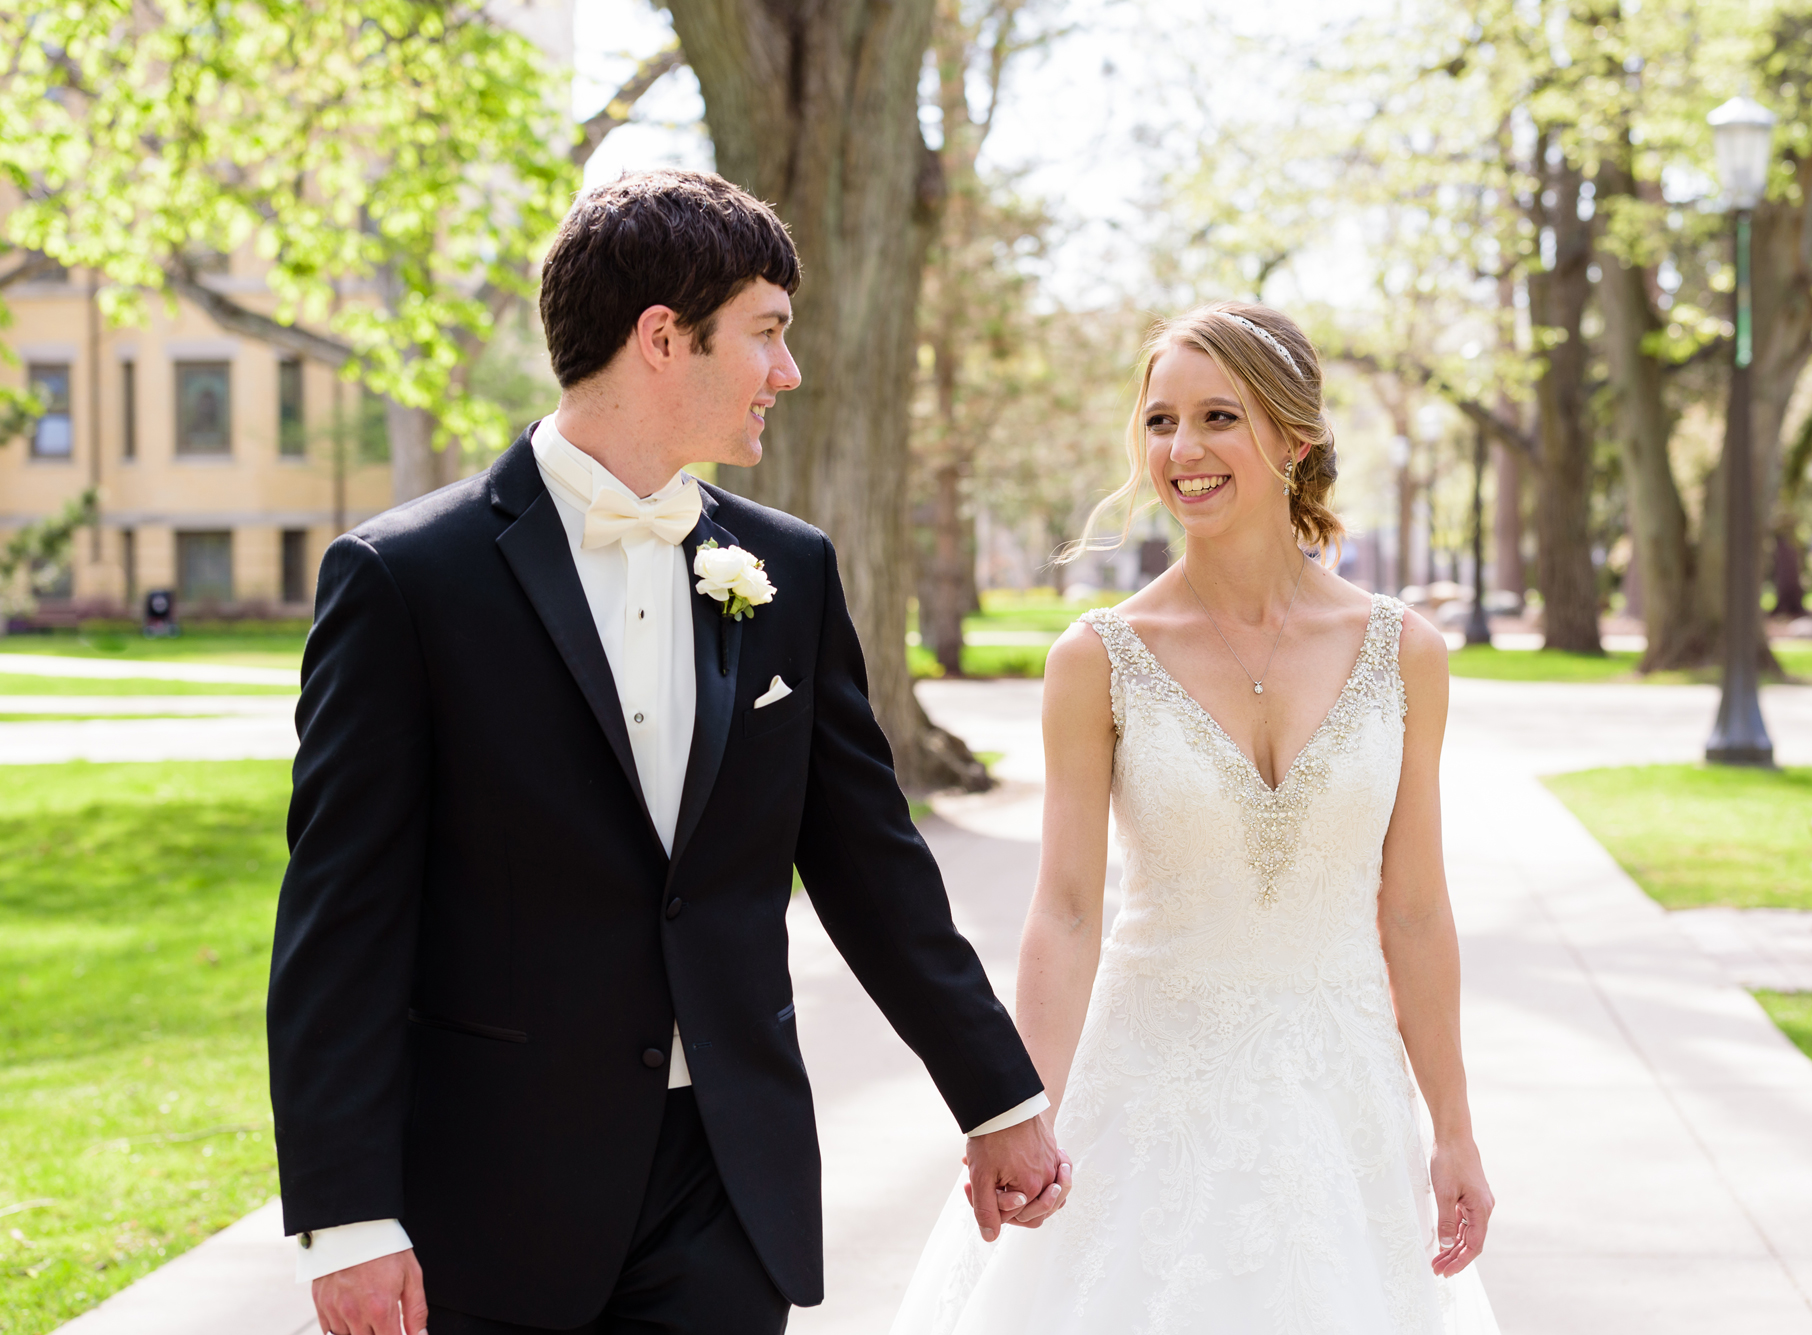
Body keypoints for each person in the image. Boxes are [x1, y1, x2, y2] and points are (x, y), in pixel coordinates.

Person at [267, 169, 1068, 1335]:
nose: (786, 374)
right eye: (765, 335)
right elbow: (340, 922)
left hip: (727, 1186)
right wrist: (345, 1218)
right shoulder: (405, 580)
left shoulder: (789, 573)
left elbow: (871, 864)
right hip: (492, 1196)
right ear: (661, 338)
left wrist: (996, 1097)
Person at [893, 303, 1501, 1333]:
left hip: (1341, 1106)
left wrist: (1452, 1130)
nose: (1182, 450)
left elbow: (1413, 913)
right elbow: (1067, 913)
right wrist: (1020, 1112)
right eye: (1160, 421)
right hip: (1142, 1098)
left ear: (1291, 437)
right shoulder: (1095, 658)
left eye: (1218, 416)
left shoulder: (1405, 655)